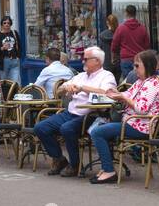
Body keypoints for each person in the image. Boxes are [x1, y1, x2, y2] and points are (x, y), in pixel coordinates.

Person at [34, 46, 116, 177]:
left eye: (86, 59)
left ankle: (75, 164)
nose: (83, 61)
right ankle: (59, 159)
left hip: (91, 114)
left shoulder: (106, 76)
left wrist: (83, 88)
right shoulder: (80, 76)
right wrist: (66, 88)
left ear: (97, 61)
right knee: (40, 127)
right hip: (70, 112)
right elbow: (59, 90)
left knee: (67, 129)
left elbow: (107, 93)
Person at [88, 50, 159, 185]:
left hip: (141, 127)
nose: (134, 69)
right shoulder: (141, 82)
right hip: (131, 123)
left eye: (137, 66)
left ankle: (108, 170)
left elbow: (142, 109)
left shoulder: (152, 84)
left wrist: (122, 97)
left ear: (148, 66)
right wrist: (116, 93)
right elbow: (128, 94)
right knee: (101, 129)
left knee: (98, 132)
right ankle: (107, 167)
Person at [110, 6, 151, 83]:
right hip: (140, 59)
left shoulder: (121, 28)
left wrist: (113, 57)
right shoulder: (142, 28)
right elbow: (147, 45)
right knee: (141, 81)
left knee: (128, 83)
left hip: (126, 59)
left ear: (126, 13)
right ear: (135, 14)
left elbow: (114, 45)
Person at [0, 16, 21, 84]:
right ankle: (5, 94)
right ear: (2, 24)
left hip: (14, 60)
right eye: (4, 23)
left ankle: (13, 94)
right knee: (4, 82)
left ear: (10, 24)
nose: (7, 24)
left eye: (8, 23)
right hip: (3, 62)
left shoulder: (14, 33)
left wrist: (18, 56)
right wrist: (2, 48)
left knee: (15, 83)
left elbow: (19, 46)